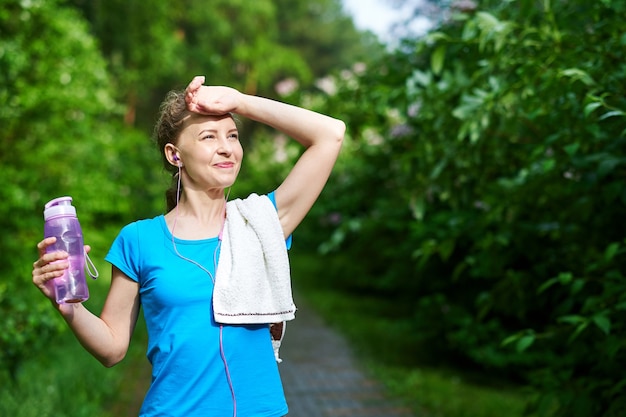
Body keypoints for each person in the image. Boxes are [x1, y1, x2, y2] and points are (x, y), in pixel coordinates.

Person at [31, 75, 345, 417]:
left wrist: (238, 101)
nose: (226, 147)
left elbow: (330, 134)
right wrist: (69, 309)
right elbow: (112, 349)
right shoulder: (139, 240)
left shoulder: (261, 223)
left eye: (233, 136)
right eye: (209, 136)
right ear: (174, 154)